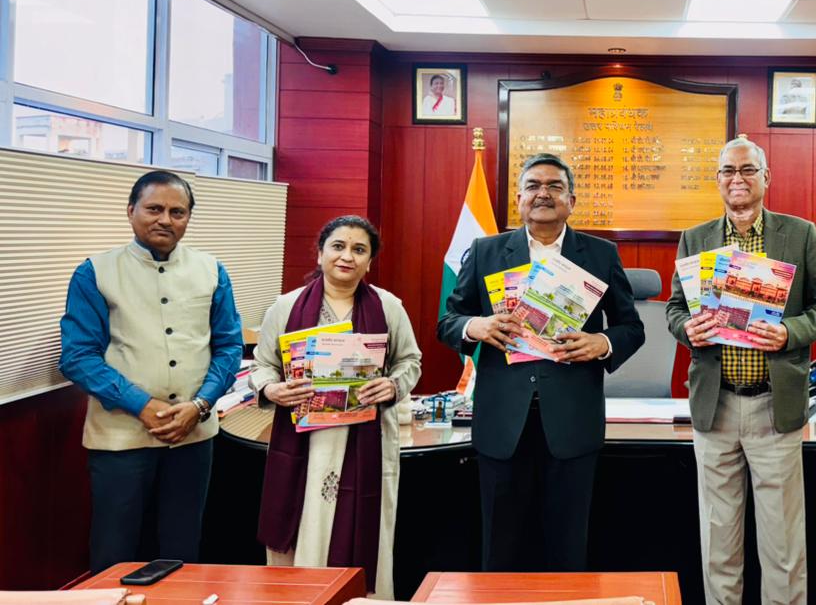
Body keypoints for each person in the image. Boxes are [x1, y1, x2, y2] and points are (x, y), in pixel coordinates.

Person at [437, 153, 644, 571]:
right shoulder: (486, 250)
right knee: (501, 548)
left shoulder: (600, 254)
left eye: (554, 186)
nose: (543, 194)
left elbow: (631, 327)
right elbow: (448, 321)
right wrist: (476, 326)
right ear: (519, 199)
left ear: (572, 200)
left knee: (567, 548)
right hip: (502, 422)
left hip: (572, 421)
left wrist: (601, 342)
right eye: (533, 186)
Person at [666, 137, 816, 605]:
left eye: (747, 170)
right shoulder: (696, 237)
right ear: (717, 179)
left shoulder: (799, 234)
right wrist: (688, 329)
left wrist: (788, 332)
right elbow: (675, 309)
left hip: (773, 403)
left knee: (783, 543)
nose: (737, 179)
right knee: (718, 539)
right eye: (728, 170)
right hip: (715, 403)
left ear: (766, 177)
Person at [59, 170, 243, 573]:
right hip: (120, 438)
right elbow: (78, 356)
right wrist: (141, 405)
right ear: (131, 211)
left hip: (193, 434)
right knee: (115, 552)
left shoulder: (212, 270)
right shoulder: (95, 272)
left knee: (182, 549)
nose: (165, 219)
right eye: (154, 208)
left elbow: (229, 346)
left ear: (188, 218)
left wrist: (201, 404)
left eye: (178, 212)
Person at [253, 215, 421, 597]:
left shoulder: (388, 307)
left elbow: (410, 361)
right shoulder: (285, 306)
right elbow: (262, 364)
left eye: (359, 250)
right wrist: (271, 388)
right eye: (338, 246)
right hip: (304, 440)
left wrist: (392, 385)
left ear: (369, 262)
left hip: (367, 440)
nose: (347, 256)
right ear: (320, 254)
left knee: (364, 528)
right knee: (305, 524)